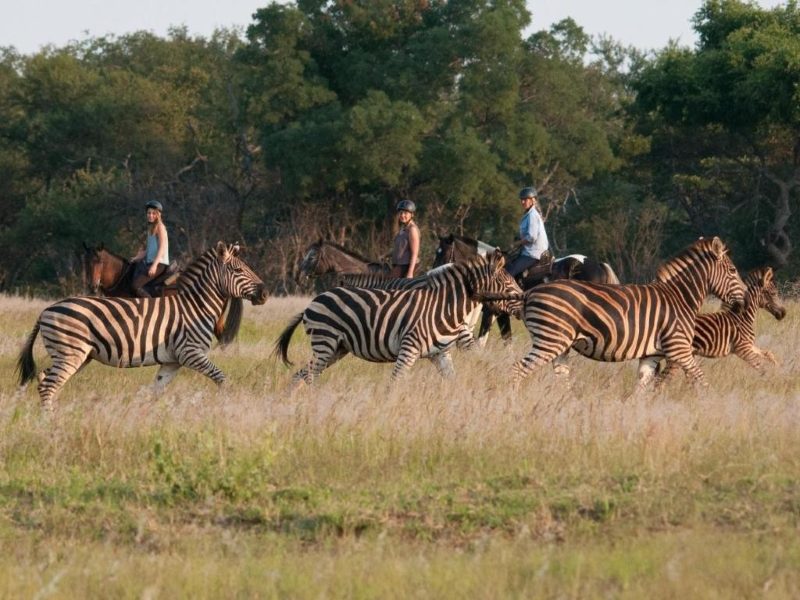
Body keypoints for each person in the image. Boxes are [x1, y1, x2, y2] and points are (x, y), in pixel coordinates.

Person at [505, 186, 549, 279]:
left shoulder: (532, 215)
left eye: (525, 199)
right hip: (529, 251)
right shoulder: (530, 214)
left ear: (532, 200)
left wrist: (516, 244)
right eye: (521, 200)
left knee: (508, 272)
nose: (522, 202)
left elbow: (531, 237)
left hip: (533, 253)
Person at [131, 199, 170, 297]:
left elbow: (162, 248)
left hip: (159, 264)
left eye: (153, 213)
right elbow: (149, 250)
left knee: (135, 285)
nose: (150, 215)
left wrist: (154, 265)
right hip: (150, 262)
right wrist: (136, 258)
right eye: (149, 213)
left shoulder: (160, 227)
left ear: (158, 215)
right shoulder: (151, 229)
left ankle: (152, 306)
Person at [391, 199, 420, 278]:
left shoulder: (412, 229)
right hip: (398, 265)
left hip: (405, 267)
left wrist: (410, 273)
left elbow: (414, 253)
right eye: (401, 213)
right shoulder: (404, 228)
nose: (402, 215)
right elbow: (401, 248)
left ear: (412, 214)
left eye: (405, 213)